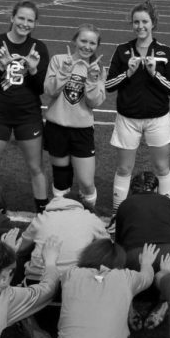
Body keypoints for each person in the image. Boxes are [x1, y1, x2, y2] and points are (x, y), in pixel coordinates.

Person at [0, 0, 51, 213]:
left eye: (30, 20)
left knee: (36, 168)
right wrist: (1, 65)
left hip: (28, 115)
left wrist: (33, 70)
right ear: (12, 18)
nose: (25, 23)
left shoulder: (39, 48)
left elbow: (40, 88)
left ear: (35, 24)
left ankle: (42, 215)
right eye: (21, 18)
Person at [105, 0, 170, 213]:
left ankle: (168, 215)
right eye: (136, 22)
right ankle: (117, 215)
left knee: (162, 168)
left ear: (153, 23)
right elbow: (109, 85)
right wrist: (127, 73)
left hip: (158, 118)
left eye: (144, 21)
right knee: (124, 168)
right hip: (128, 118)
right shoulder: (122, 50)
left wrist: (154, 73)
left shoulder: (165, 51)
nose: (140, 26)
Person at [14, 194, 110, 338]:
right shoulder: (91, 218)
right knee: (102, 259)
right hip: (76, 286)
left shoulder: (42, 218)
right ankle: (87, 319)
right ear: (81, 205)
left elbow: (21, 248)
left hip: (39, 286)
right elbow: (107, 249)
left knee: (18, 257)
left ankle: (26, 316)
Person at [43, 25, 106, 207]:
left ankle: (89, 218)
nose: (87, 46)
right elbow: (50, 91)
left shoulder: (97, 68)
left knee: (86, 183)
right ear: (74, 41)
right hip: (57, 128)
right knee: (61, 178)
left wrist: (93, 79)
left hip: (82, 131)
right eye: (83, 41)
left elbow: (93, 103)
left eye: (92, 43)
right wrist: (64, 72)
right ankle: (62, 218)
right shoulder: (58, 60)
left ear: (97, 46)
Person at [115, 171, 170, 329]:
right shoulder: (169, 203)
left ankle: (128, 305)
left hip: (137, 255)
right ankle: (165, 302)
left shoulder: (125, 205)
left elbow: (118, 243)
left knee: (116, 265)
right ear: (155, 189)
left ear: (133, 190)